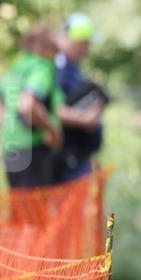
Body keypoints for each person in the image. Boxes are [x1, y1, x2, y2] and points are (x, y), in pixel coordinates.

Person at [0, 26, 65, 188]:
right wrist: (52, 131)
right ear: (43, 47)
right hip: (34, 150)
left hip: (12, 148)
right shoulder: (41, 67)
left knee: (20, 208)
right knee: (36, 209)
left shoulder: (17, 67)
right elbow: (28, 104)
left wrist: (10, 129)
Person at [54, 13, 106, 182]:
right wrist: (85, 119)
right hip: (67, 156)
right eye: (85, 43)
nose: (88, 48)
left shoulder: (74, 69)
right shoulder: (59, 69)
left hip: (80, 156)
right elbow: (56, 109)